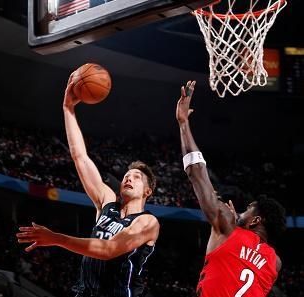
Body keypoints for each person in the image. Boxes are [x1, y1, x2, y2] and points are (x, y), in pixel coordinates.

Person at [16, 73, 160, 297]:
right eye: (126, 175)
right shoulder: (107, 202)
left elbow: (110, 250)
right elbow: (80, 157)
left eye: (137, 177)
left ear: (148, 191)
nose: (129, 178)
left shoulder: (148, 222)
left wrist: (56, 238)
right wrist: (68, 109)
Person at [175, 80, 286, 297]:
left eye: (247, 210)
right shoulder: (276, 262)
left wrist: (183, 123)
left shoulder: (227, 225)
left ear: (255, 220)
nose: (240, 212)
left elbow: (196, 173)